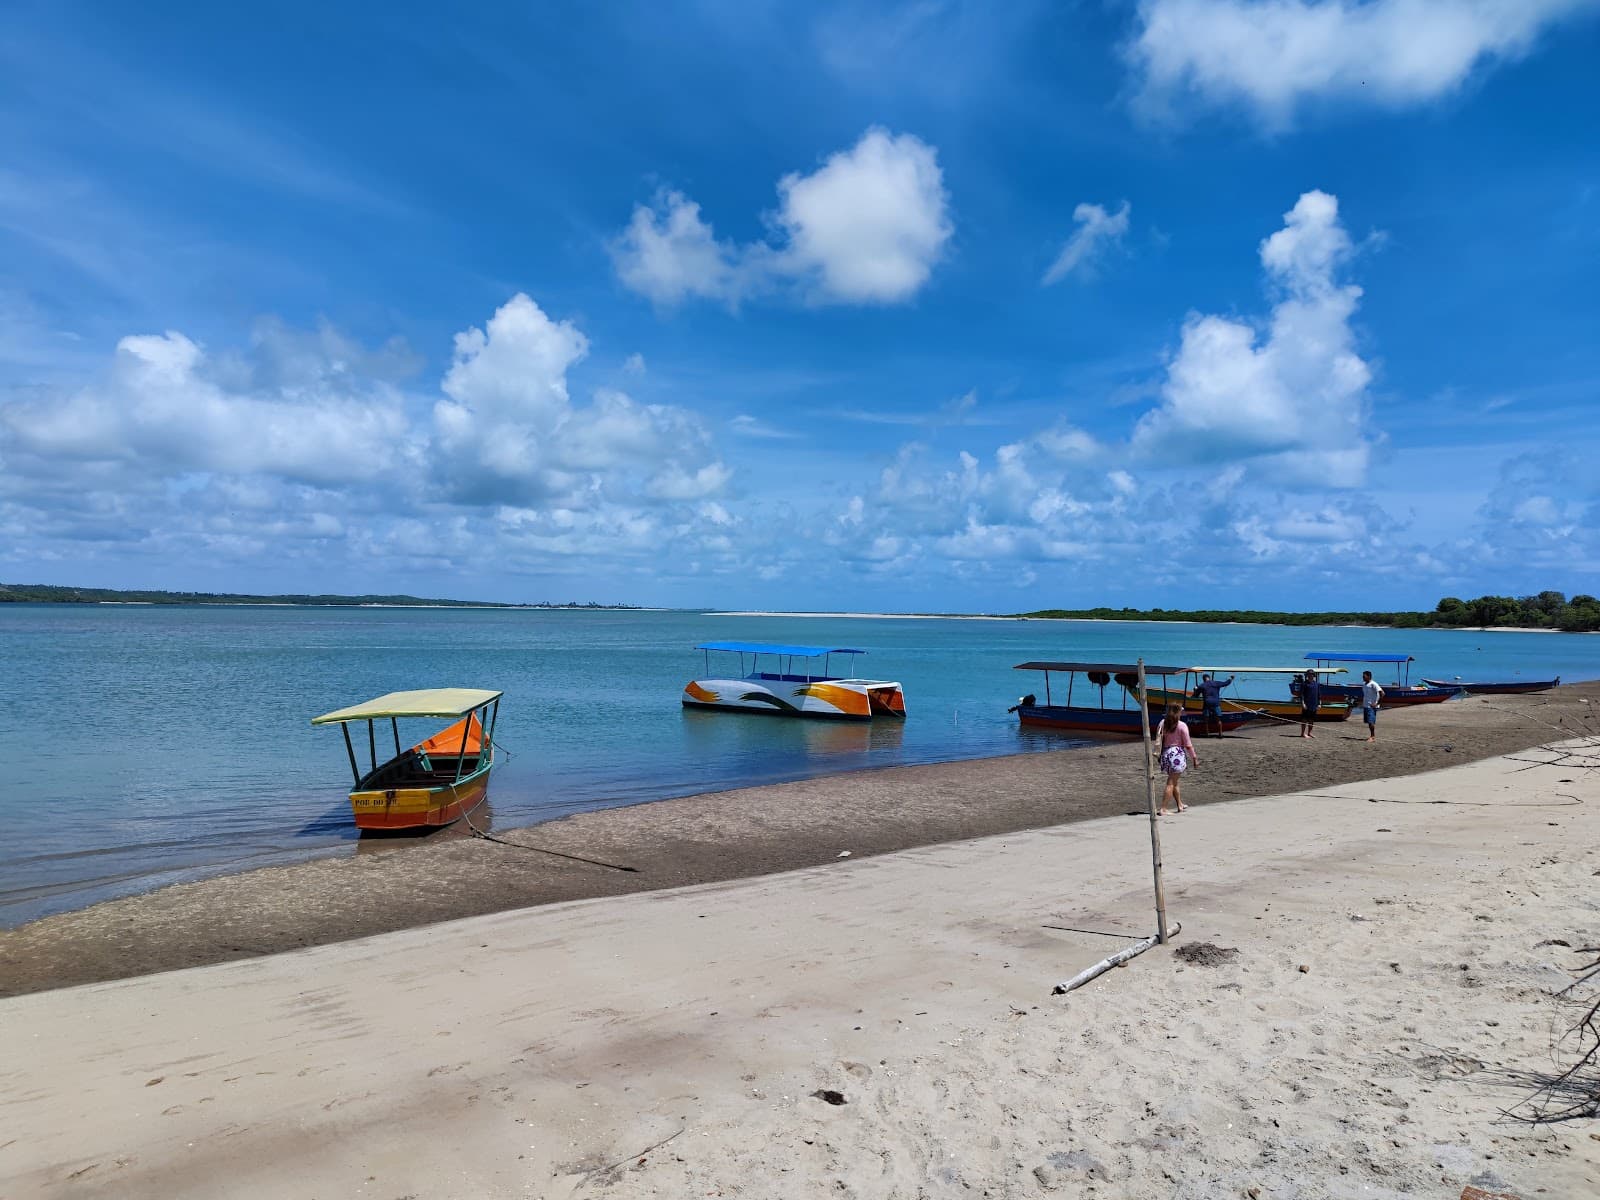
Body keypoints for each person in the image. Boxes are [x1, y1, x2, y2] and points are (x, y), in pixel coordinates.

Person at [1154, 703, 1198, 814]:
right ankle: (1163, 809)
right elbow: (1188, 744)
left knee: (1174, 781)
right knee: (1171, 783)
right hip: (1176, 756)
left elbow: (1159, 739)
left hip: (1166, 754)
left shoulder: (1162, 723)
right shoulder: (1181, 725)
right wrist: (1194, 758)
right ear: (1178, 713)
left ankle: (1179, 804)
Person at [1192, 672, 1235, 738]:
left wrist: (1195, 690)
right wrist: (1231, 679)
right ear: (1210, 678)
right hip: (1216, 703)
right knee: (1218, 720)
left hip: (1207, 703)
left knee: (1206, 720)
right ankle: (1220, 734)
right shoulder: (1216, 683)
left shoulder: (1202, 685)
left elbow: (1195, 696)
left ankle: (1207, 734)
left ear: (1204, 679)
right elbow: (1225, 683)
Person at [1361, 670, 1383, 743]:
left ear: (1369, 676)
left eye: (1364, 676)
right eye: (1363, 676)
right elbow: (1366, 695)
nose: (1363, 677)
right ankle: (1371, 736)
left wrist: (1376, 704)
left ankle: (1372, 737)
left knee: (1371, 722)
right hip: (1366, 705)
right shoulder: (1364, 684)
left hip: (1372, 706)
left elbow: (1382, 693)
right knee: (1368, 722)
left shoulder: (1374, 684)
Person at [1298, 669, 1321, 738]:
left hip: (1314, 704)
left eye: (1312, 674)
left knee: (1312, 720)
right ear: (1307, 675)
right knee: (1304, 719)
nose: (1310, 676)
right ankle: (1302, 733)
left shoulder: (1317, 684)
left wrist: (1319, 703)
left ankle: (1309, 733)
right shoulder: (1304, 684)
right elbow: (1301, 695)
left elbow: (1319, 695)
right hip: (1306, 704)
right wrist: (1303, 703)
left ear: (1314, 675)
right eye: (1309, 674)